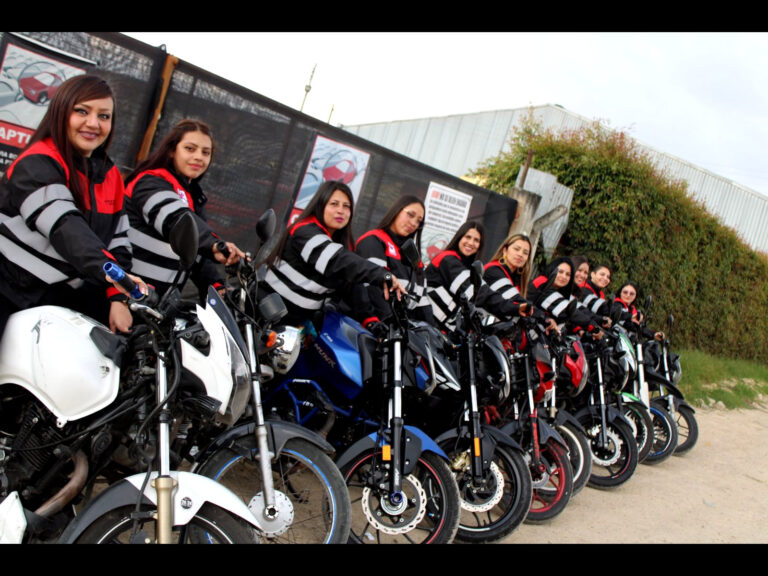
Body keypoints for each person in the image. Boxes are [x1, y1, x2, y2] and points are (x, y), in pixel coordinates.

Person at [0, 74, 146, 338]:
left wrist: (117, 297)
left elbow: (119, 240)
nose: (93, 123)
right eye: (82, 111)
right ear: (61, 112)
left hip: (52, 295)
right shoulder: (37, 162)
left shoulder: (109, 174)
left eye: (104, 116)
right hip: (6, 286)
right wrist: (109, 273)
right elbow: (64, 226)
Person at [123, 119, 244, 300]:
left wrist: (216, 286)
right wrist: (215, 244)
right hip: (123, 297)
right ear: (172, 150)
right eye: (190, 148)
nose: (198, 157)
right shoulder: (150, 182)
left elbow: (193, 252)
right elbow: (177, 220)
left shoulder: (192, 196)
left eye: (206, 152)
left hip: (156, 306)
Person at [259, 180, 405, 330]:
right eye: (334, 204)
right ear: (320, 205)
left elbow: (353, 286)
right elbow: (337, 261)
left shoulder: (340, 246)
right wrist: (382, 275)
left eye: (346, 206)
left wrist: (370, 320)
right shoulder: (304, 231)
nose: (340, 211)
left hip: (295, 329)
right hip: (262, 317)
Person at [425, 220, 529, 333]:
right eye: (468, 237)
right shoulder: (448, 259)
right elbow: (479, 293)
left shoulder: (468, 267)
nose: (471, 242)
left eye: (476, 240)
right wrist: (514, 308)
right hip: (426, 326)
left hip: (439, 330)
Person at [355, 194, 433, 330]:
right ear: (396, 210)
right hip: (368, 326)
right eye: (410, 214)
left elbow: (422, 301)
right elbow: (374, 291)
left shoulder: (414, 257)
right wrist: (392, 324)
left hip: (398, 332)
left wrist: (433, 332)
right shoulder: (373, 240)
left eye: (419, 221)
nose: (414, 223)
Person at [527, 256, 603, 336]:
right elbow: (566, 309)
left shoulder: (562, 292)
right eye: (560, 272)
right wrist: (593, 327)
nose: (563, 277)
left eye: (568, 274)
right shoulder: (543, 283)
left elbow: (580, 310)